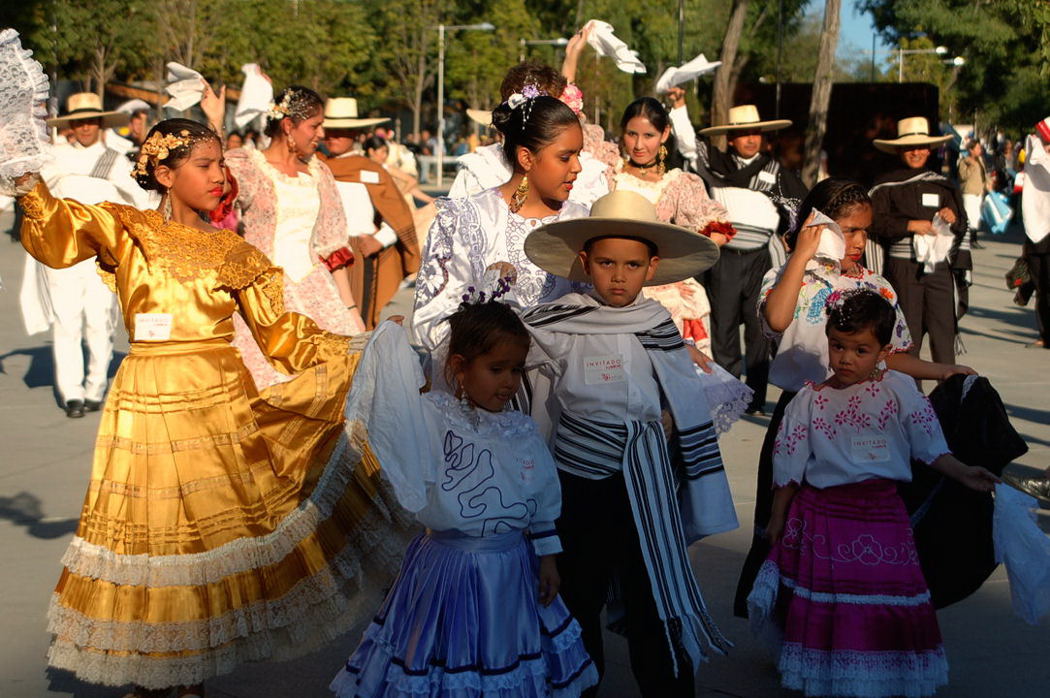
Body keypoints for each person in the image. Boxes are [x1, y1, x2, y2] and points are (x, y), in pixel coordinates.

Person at [13, 111, 407, 696]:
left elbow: (283, 336)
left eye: (222, 163)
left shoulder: (236, 252)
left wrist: (364, 349)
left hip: (220, 404)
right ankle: (150, 670)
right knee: (150, 536)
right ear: (164, 174)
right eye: (204, 165)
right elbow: (53, 237)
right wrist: (24, 177)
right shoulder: (127, 229)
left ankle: (190, 671)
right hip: (145, 399)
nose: (220, 175)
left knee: (205, 544)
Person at [519, 190, 737, 696]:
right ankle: (579, 685)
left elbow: (681, 397)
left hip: (645, 482)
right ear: (584, 261)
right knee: (577, 595)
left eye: (632, 264)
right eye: (606, 262)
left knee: (653, 596)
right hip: (576, 482)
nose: (618, 275)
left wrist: (665, 420)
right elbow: (535, 400)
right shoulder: (556, 323)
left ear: (652, 266)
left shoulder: (659, 325)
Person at [732, 178, 975, 617]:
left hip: (864, 422)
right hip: (802, 419)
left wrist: (943, 370)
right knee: (786, 524)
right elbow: (777, 318)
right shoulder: (787, 276)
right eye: (850, 229)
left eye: (866, 230)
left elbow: (892, 356)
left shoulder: (877, 286)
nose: (861, 241)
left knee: (846, 531)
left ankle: (848, 621)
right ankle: (794, 625)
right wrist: (801, 255)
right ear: (819, 227)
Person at [330, 301, 598, 697]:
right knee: (445, 650)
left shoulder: (521, 430)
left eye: (516, 369)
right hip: (447, 568)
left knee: (500, 651)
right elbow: (391, 416)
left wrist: (549, 558)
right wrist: (391, 348)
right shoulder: (433, 416)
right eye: (495, 369)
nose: (508, 382)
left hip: (511, 570)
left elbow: (541, 498)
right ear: (458, 365)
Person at [746, 288, 998, 697]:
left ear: (883, 350)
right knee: (835, 607)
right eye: (838, 346)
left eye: (861, 349)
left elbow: (930, 447)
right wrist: (777, 518)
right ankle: (835, 677)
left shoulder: (899, 390)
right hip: (823, 520)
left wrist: (965, 473)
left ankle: (879, 677)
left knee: (880, 602)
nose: (846, 358)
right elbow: (789, 467)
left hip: (883, 518)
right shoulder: (808, 401)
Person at [216, 85, 366, 389]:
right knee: (271, 386)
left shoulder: (318, 172)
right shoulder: (247, 166)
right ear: (289, 126)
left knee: (335, 381)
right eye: (314, 125)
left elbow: (332, 244)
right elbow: (212, 192)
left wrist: (350, 311)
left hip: (315, 290)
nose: (321, 134)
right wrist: (215, 123)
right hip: (263, 295)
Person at [412, 94, 587, 350]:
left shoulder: (583, 222)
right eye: (565, 157)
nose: (578, 167)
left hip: (567, 382)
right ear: (526, 158)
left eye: (578, 155)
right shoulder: (465, 219)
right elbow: (430, 323)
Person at [20, 92, 149, 418]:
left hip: (101, 255)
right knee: (66, 321)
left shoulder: (116, 160)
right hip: (62, 254)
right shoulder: (52, 159)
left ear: (101, 123)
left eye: (91, 120)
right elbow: (29, 194)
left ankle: (95, 386)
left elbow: (141, 202)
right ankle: (72, 392)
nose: (86, 127)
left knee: (98, 321)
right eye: (79, 121)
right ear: (71, 125)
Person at [694, 104, 808, 413]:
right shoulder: (714, 167)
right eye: (743, 133)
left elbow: (800, 207)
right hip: (725, 257)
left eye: (755, 133)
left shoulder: (777, 173)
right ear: (730, 138)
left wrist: (792, 236)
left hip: (761, 258)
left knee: (760, 328)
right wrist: (679, 107)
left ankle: (755, 398)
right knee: (724, 327)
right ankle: (729, 393)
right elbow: (685, 143)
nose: (750, 139)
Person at [611, 96, 735, 351]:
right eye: (631, 134)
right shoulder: (607, 170)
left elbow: (717, 229)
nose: (638, 145)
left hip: (661, 289)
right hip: (612, 281)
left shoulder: (677, 183)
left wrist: (679, 262)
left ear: (665, 133)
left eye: (649, 135)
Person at [869, 116, 971, 369]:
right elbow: (873, 222)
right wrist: (909, 226)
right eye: (909, 147)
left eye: (921, 147)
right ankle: (910, 397)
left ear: (930, 149)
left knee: (943, 332)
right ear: (899, 150)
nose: (916, 152)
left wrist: (953, 217)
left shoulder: (944, 185)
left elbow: (962, 224)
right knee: (907, 333)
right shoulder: (885, 186)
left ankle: (951, 393)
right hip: (902, 268)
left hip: (939, 268)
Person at [319, 98, 419, 329]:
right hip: (317, 255)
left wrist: (380, 240)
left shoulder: (371, 170)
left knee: (355, 324)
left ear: (355, 133)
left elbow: (398, 214)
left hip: (357, 252)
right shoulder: (314, 165)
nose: (333, 137)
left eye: (341, 132)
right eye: (329, 131)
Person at [1022, 118, 1050, 349]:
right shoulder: (1035, 151)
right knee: (1041, 286)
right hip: (1036, 231)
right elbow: (1035, 155)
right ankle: (1045, 333)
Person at [958, 139, 988, 249]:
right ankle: (967, 239)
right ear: (971, 150)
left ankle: (974, 239)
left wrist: (988, 184)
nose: (979, 150)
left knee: (976, 216)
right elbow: (963, 176)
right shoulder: (964, 161)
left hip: (978, 192)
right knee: (969, 216)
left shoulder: (980, 160)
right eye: (977, 148)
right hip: (969, 192)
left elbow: (983, 175)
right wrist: (970, 166)